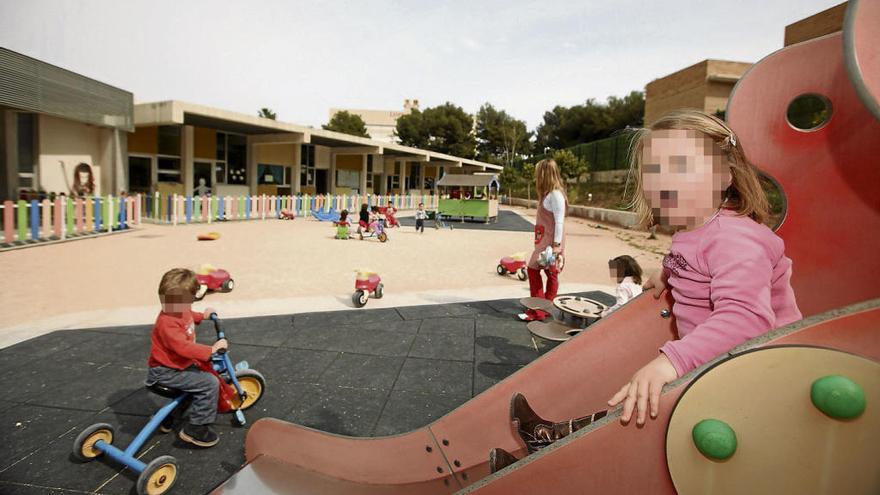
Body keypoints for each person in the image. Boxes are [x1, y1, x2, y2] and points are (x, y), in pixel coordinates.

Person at [489, 109, 803, 472]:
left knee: (644, 404)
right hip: (718, 364)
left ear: (724, 175)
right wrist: (666, 275)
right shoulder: (695, 229)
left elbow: (746, 320)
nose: (663, 177)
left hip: (756, 375)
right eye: (653, 169)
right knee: (641, 401)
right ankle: (549, 441)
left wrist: (671, 361)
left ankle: (548, 457)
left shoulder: (736, 239)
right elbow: (688, 258)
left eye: (681, 164)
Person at [145, 268, 230, 448]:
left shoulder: (179, 309)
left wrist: (202, 316)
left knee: (197, 379)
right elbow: (183, 347)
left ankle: (169, 418)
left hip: (177, 366)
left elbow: (188, 314)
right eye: (166, 301)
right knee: (209, 383)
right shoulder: (167, 322)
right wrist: (211, 350)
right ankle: (196, 429)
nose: (169, 306)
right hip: (165, 372)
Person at [517, 159, 567, 322]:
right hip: (544, 240)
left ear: (544, 174)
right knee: (548, 272)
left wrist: (557, 246)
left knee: (537, 270)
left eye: (538, 173)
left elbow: (559, 221)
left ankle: (540, 309)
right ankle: (542, 308)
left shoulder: (555, 195)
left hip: (550, 243)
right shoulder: (548, 194)